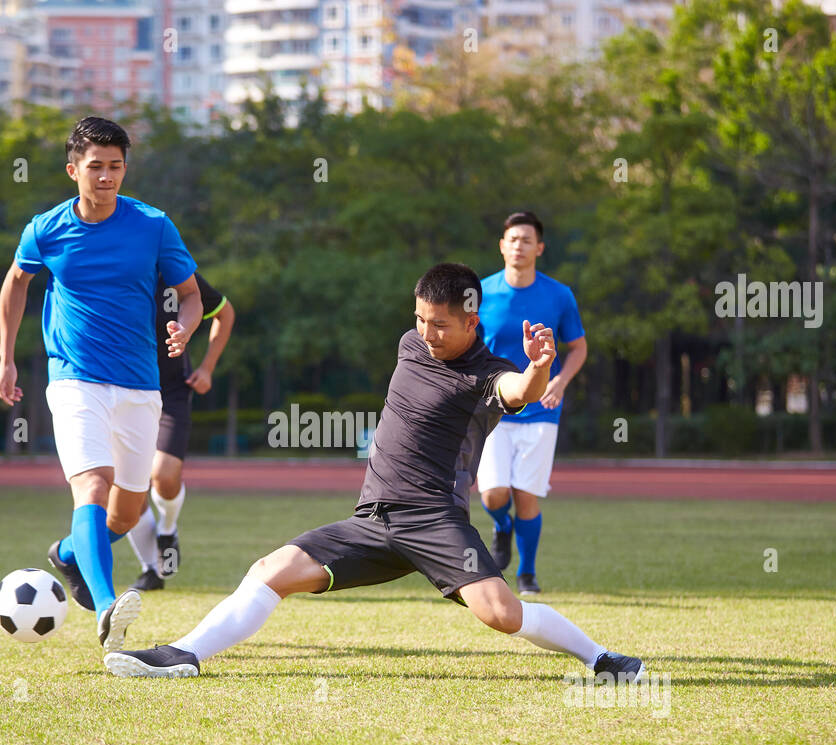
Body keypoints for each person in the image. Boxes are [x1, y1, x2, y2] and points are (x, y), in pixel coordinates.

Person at [103, 263, 643, 683]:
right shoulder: (410, 345)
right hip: (372, 519)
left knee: (501, 614)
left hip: (435, 522)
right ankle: (185, 654)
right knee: (271, 569)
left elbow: (517, 393)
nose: (427, 333)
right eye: (420, 319)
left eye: (441, 324)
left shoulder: (488, 375)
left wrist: (539, 368)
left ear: (472, 321)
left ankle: (603, 659)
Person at [0, 116, 203, 654]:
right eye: (95, 167)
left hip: (140, 384)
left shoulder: (154, 225)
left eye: (114, 167)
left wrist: (185, 324)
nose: (105, 177)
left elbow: (190, 291)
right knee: (92, 485)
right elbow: (16, 283)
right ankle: (108, 607)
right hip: (74, 378)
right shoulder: (45, 229)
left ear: (124, 169)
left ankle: (68, 554)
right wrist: (7, 358)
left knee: (129, 513)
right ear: (73, 171)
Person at [476, 211, 588, 595]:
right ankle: (501, 526)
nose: (519, 246)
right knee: (493, 494)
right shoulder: (481, 293)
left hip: (541, 410)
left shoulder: (559, 295)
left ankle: (527, 574)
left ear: (539, 248)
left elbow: (578, 347)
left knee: (526, 496)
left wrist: (559, 380)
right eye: (512, 239)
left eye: (527, 240)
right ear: (502, 245)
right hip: (492, 408)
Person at [127, 271, 236, 591]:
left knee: (163, 473)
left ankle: (168, 530)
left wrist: (207, 368)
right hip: (124, 392)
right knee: (129, 488)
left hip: (171, 393)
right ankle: (151, 570)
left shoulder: (175, 272)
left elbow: (225, 314)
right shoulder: (111, 268)